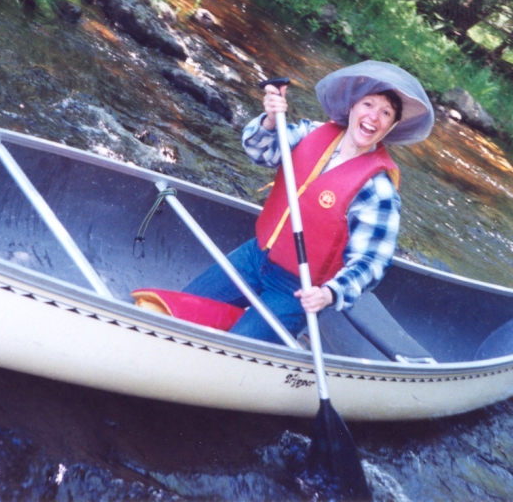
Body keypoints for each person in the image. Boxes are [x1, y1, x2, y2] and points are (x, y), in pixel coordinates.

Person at [183, 60, 434, 342]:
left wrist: (329, 294)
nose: (373, 117)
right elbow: (261, 152)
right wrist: (270, 120)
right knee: (179, 312)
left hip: (297, 289)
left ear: (392, 126)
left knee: (236, 347)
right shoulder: (312, 132)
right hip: (255, 256)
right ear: (353, 105)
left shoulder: (378, 190)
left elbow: (371, 262)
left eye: (385, 113)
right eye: (368, 104)